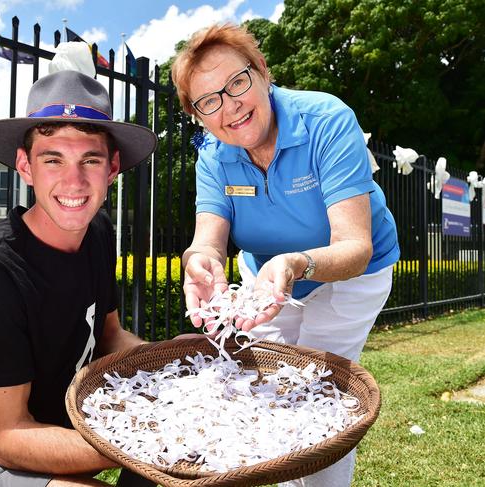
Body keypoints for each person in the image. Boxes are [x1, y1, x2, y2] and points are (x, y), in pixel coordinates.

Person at [171, 23, 400, 487]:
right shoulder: (213, 156)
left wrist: (297, 263)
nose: (229, 105)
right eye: (208, 101)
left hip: (351, 277)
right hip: (265, 285)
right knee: (265, 389)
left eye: (237, 82)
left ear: (263, 72)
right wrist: (200, 262)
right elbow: (208, 240)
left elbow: (355, 246)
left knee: (319, 392)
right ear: (199, 116)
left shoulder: (325, 119)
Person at [0, 70, 157, 487]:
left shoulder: (97, 231)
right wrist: (136, 443)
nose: (74, 181)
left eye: (90, 160)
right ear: (25, 166)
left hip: (61, 425)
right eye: (53, 159)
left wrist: (171, 363)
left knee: (181, 464)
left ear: (113, 167)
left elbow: (109, 335)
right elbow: (8, 437)